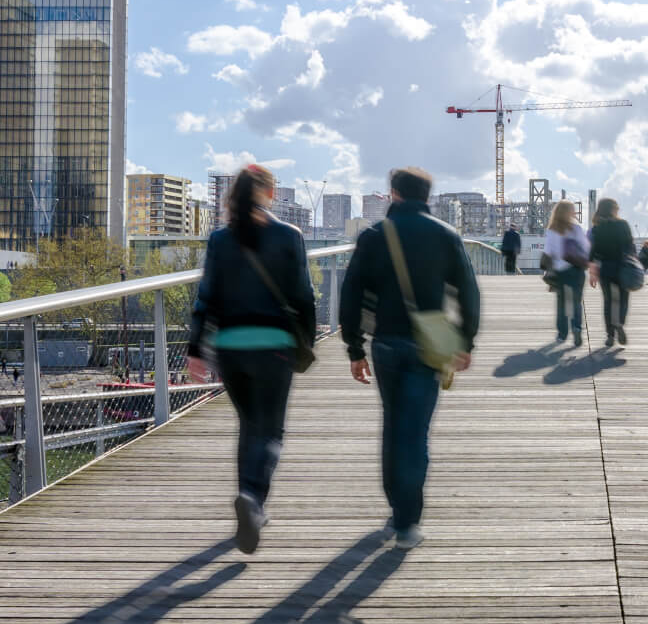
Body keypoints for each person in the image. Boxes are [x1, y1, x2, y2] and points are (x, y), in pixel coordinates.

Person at [339, 167, 481, 550]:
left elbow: (351, 294)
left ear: (393, 194)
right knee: (415, 431)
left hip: (385, 343)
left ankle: (396, 511)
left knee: (392, 425)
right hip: (430, 346)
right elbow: (468, 292)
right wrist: (465, 340)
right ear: (428, 196)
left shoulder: (373, 237)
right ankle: (408, 522)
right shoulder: (446, 235)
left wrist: (354, 348)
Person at [185, 164, 315, 555]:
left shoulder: (221, 239)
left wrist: (196, 349)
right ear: (270, 193)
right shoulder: (288, 236)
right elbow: (304, 296)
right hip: (274, 347)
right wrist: (305, 343)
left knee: (248, 426)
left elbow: (205, 297)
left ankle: (247, 495)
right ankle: (254, 500)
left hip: (231, 349)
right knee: (270, 430)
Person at [589, 197, 635, 348]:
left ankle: (610, 335)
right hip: (623, 267)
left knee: (608, 301)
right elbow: (631, 247)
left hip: (605, 269)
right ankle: (620, 323)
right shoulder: (623, 225)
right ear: (613, 209)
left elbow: (593, 252)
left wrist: (592, 273)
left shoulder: (597, 228)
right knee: (623, 299)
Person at [544, 201, 590, 345]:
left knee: (562, 303)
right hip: (576, 270)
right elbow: (587, 247)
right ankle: (576, 328)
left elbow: (547, 252)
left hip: (560, 271)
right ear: (570, 212)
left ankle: (562, 334)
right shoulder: (576, 229)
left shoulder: (552, 230)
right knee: (576, 301)